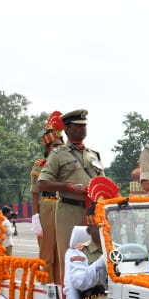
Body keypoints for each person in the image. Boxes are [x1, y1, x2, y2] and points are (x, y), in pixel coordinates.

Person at [38, 109, 104, 277]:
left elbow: (103, 183)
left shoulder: (93, 155)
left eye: (84, 126)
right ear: (67, 129)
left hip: (93, 212)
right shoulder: (58, 154)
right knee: (69, 255)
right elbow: (43, 183)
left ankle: (93, 297)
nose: (82, 129)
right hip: (69, 210)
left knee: (96, 254)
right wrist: (67, 186)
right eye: (77, 126)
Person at [64, 209, 107, 299]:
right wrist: (100, 263)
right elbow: (80, 282)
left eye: (104, 225)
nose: (103, 229)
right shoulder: (79, 252)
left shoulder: (116, 248)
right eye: (98, 226)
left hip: (117, 296)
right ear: (88, 231)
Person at [31, 111, 64, 283]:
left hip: (64, 208)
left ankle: (61, 288)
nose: (57, 148)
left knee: (62, 252)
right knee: (47, 252)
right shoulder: (40, 165)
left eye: (60, 145)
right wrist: (35, 216)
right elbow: (34, 193)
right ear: (47, 148)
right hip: (47, 208)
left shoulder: (66, 165)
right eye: (54, 145)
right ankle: (46, 286)